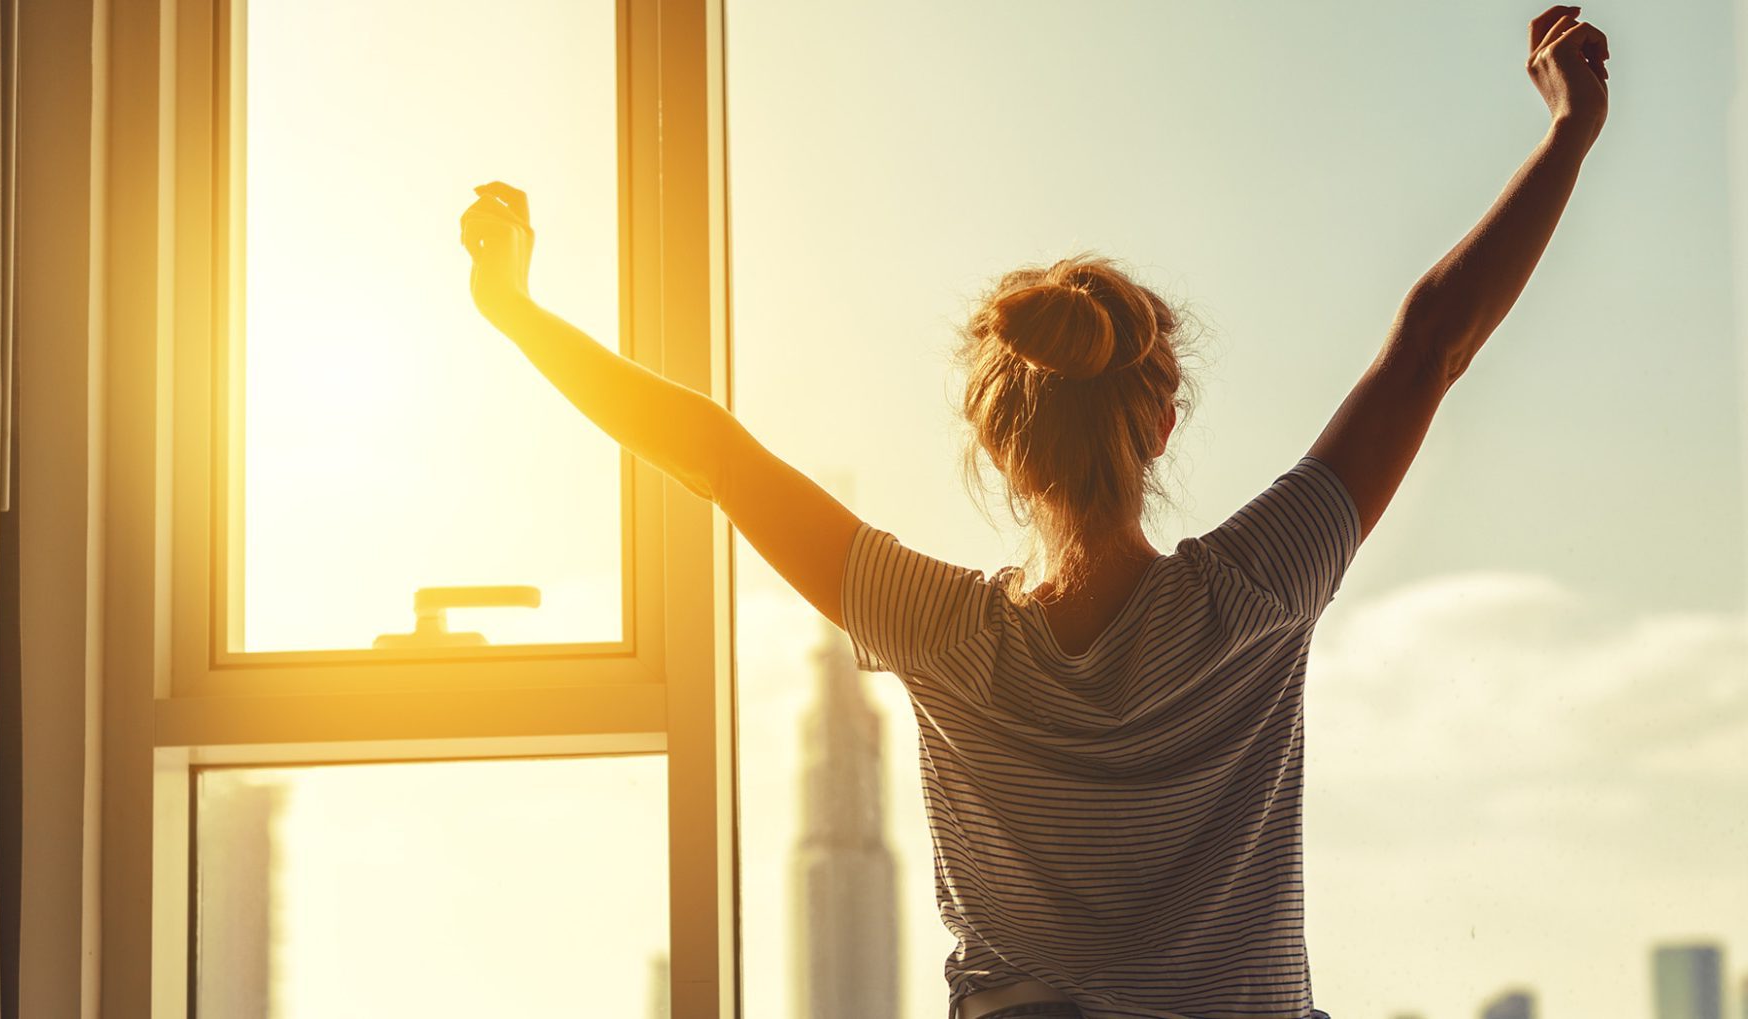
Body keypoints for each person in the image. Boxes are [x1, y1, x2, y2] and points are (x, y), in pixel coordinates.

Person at [456, 7, 1611, 1018]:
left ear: (999, 449)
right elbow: (1429, 347)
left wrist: (514, 311)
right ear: (1159, 426)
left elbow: (710, 451)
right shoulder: (1253, 593)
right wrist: (1566, 135)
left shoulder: (940, 630)